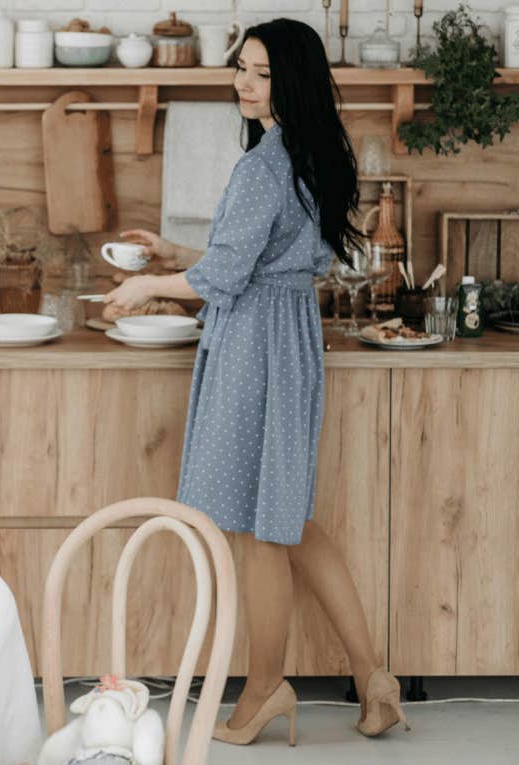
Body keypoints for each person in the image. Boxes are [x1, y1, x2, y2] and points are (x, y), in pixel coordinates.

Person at [104, 19, 408, 744]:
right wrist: (173, 249)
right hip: (289, 336)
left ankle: (266, 688)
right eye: (241, 68)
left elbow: (226, 275)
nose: (243, 83)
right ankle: (376, 678)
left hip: (254, 347)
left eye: (261, 73)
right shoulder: (305, 157)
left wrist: (148, 285)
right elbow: (262, 253)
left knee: (261, 530)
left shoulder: (264, 164)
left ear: (290, 80)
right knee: (290, 520)